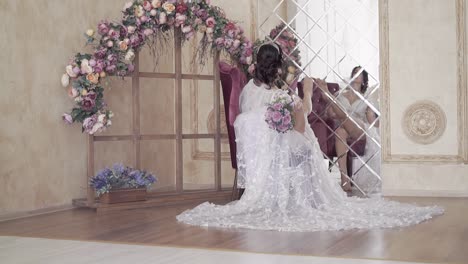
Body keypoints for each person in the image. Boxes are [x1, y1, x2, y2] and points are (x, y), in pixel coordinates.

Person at [176, 44, 443, 232]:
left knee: (304, 144)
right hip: (276, 142)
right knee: (306, 145)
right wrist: (306, 91)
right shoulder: (276, 94)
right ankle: (311, 197)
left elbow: (253, 118)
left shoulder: (250, 88)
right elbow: (303, 119)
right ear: (277, 65)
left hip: (264, 147)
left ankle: (303, 192)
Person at [323, 66, 381, 193]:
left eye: (360, 73)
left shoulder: (366, 98)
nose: (357, 74)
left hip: (359, 129)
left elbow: (371, 121)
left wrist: (385, 122)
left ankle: (345, 177)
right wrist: (332, 112)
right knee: (340, 131)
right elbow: (330, 114)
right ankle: (344, 177)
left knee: (348, 121)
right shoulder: (340, 94)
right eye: (355, 72)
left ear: (364, 79)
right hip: (343, 127)